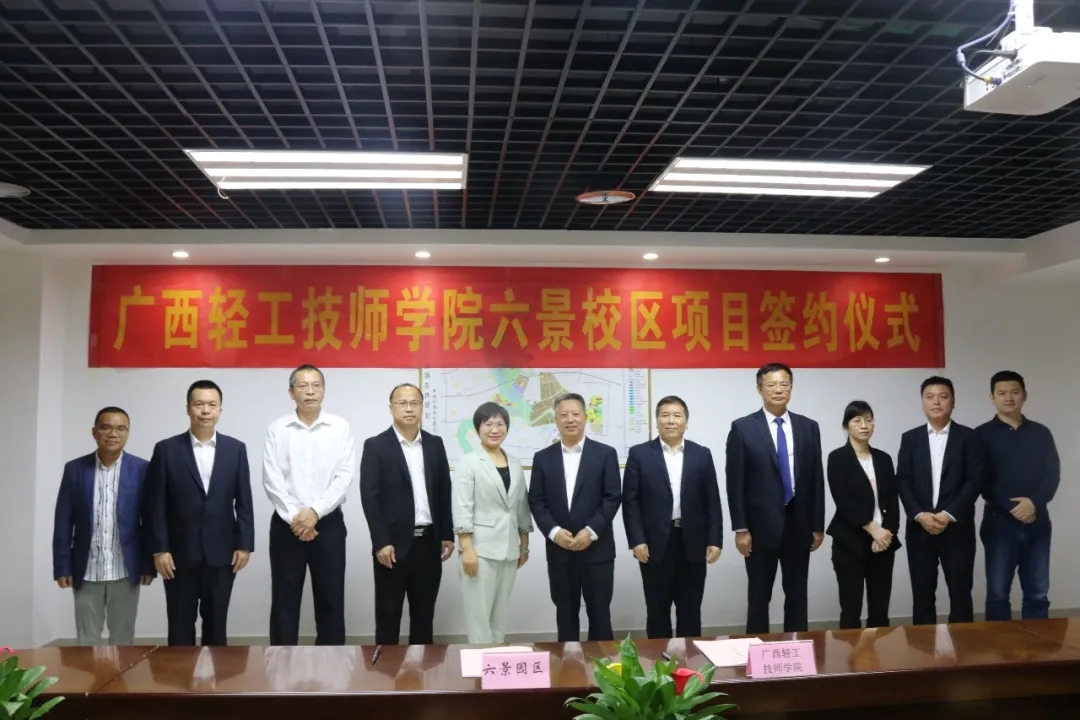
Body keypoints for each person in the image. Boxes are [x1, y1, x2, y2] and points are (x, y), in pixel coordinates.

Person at [143, 380, 255, 646]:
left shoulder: (236, 449)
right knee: (180, 627)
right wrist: (160, 549)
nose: (206, 410)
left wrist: (244, 544)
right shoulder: (166, 449)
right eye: (199, 404)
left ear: (220, 410)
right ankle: (180, 675)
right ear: (188, 408)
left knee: (217, 626)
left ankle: (217, 675)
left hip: (222, 555)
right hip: (178, 556)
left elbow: (244, 501)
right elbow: (155, 504)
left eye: (212, 405)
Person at [726, 362, 825, 634]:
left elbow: (816, 478)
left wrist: (817, 525)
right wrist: (741, 528)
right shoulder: (743, 428)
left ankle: (798, 650)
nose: (778, 390)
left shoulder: (808, 427)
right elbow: (735, 482)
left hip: (799, 523)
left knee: (797, 595)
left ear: (791, 388)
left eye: (784, 384)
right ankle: (756, 650)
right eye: (771, 385)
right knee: (759, 597)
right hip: (759, 528)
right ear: (759, 388)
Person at [263, 364, 356, 645]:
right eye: (303, 386)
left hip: (328, 525)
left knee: (331, 599)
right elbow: (271, 478)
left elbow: (344, 475)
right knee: (284, 599)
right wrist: (297, 518)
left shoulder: (339, 427)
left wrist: (315, 512)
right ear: (291, 393)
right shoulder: (277, 429)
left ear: (324, 390)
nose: (310, 391)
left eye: (316, 385)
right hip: (286, 526)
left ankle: (332, 666)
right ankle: (281, 665)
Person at [359, 382, 454, 645]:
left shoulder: (435, 444)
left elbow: (444, 491)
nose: (409, 409)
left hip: (429, 542)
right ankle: (386, 669)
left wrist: (447, 533)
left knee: (424, 615)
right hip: (392, 546)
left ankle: (421, 668)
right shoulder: (376, 446)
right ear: (391, 408)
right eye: (402, 403)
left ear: (422, 407)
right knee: (388, 614)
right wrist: (380, 541)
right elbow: (370, 498)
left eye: (415, 403)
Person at [623, 395, 723, 639]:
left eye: (677, 416)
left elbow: (712, 500)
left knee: (690, 610)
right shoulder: (639, 454)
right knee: (657, 610)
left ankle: (690, 660)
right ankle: (659, 661)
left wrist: (715, 540)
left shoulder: (701, 454)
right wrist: (636, 540)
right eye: (665, 415)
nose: (671, 421)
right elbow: (630, 502)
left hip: (693, 541)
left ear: (686, 422)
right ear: (656, 421)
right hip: (654, 543)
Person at [52, 407, 154, 646]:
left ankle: (121, 673)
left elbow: (149, 521)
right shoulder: (75, 469)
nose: (113, 434)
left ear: (127, 433)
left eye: (120, 429)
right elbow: (63, 520)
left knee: (123, 640)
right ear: (94, 432)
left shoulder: (142, 469)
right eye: (106, 427)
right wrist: (62, 566)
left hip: (125, 569)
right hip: (87, 569)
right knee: (87, 641)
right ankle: (90, 674)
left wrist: (147, 564)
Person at [528, 392, 622, 642]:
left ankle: (603, 666)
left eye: (575, 414)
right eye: (563, 415)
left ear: (585, 417)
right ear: (556, 420)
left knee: (600, 614)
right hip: (560, 550)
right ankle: (567, 665)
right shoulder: (543, 458)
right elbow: (536, 500)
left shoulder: (605, 454)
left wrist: (590, 531)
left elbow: (612, 497)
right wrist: (553, 532)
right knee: (565, 614)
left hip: (598, 549)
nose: (570, 419)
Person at [896, 376, 983, 625]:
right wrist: (919, 514)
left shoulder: (968, 437)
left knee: (961, 592)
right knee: (922, 594)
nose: (936, 402)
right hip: (919, 528)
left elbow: (975, 479)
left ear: (953, 402)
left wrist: (948, 513)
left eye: (943, 397)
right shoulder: (910, 438)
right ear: (922, 402)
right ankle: (923, 649)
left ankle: (963, 646)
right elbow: (903, 480)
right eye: (930, 397)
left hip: (957, 528)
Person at [976, 370, 1060, 621]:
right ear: (992, 397)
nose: (1009, 398)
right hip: (998, 522)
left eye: (1014, 392)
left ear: (1024, 396)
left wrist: (1034, 503)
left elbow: (1052, 473)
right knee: (998, 593)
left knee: (1038, 593)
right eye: (1002, 393)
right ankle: (1000, 646)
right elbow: (980, 479)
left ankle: (1037, 644)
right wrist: (1013, 507)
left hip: (1037, 520)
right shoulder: (980, 435)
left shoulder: (1041, 433)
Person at [451, 402, 532, 643]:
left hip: (509, 549)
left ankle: (496, 660)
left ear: (507, 428)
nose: (494, 429)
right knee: (479, 615)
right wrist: (467, 548)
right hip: (479, 550)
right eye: (488, 424)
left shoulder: (515, 463)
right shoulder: (468, 462)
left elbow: (521, 505)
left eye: (500, 424)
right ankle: (480, 662)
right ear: (478, 429)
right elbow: (462, 506)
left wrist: (524, 545)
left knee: (500, 614)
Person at [826, 400, 901, 630]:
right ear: (846, 425)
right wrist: (872, 528)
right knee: (851, 609)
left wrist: (886, 533)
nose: (864, 425)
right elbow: (843, 500)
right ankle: (852, 653)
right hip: (850, 542)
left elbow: (892, 499)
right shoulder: (837, 458)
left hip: (883, 542)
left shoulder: (884, 459)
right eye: (857, 420)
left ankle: (878, 654)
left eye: (868, 420)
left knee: (880, 610)